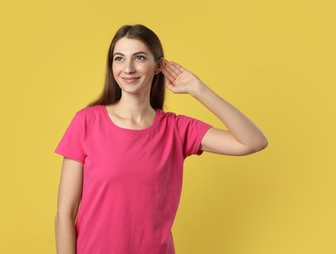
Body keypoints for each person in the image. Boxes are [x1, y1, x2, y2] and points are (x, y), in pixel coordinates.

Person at [54, 24, 268, 254]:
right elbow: (65, 214)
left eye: (139, 57)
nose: (128, 68)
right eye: (119, 58)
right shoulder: (87, 122)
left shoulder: (176, 129)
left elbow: (253, 141)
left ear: (158, 66)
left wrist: (198, 89)